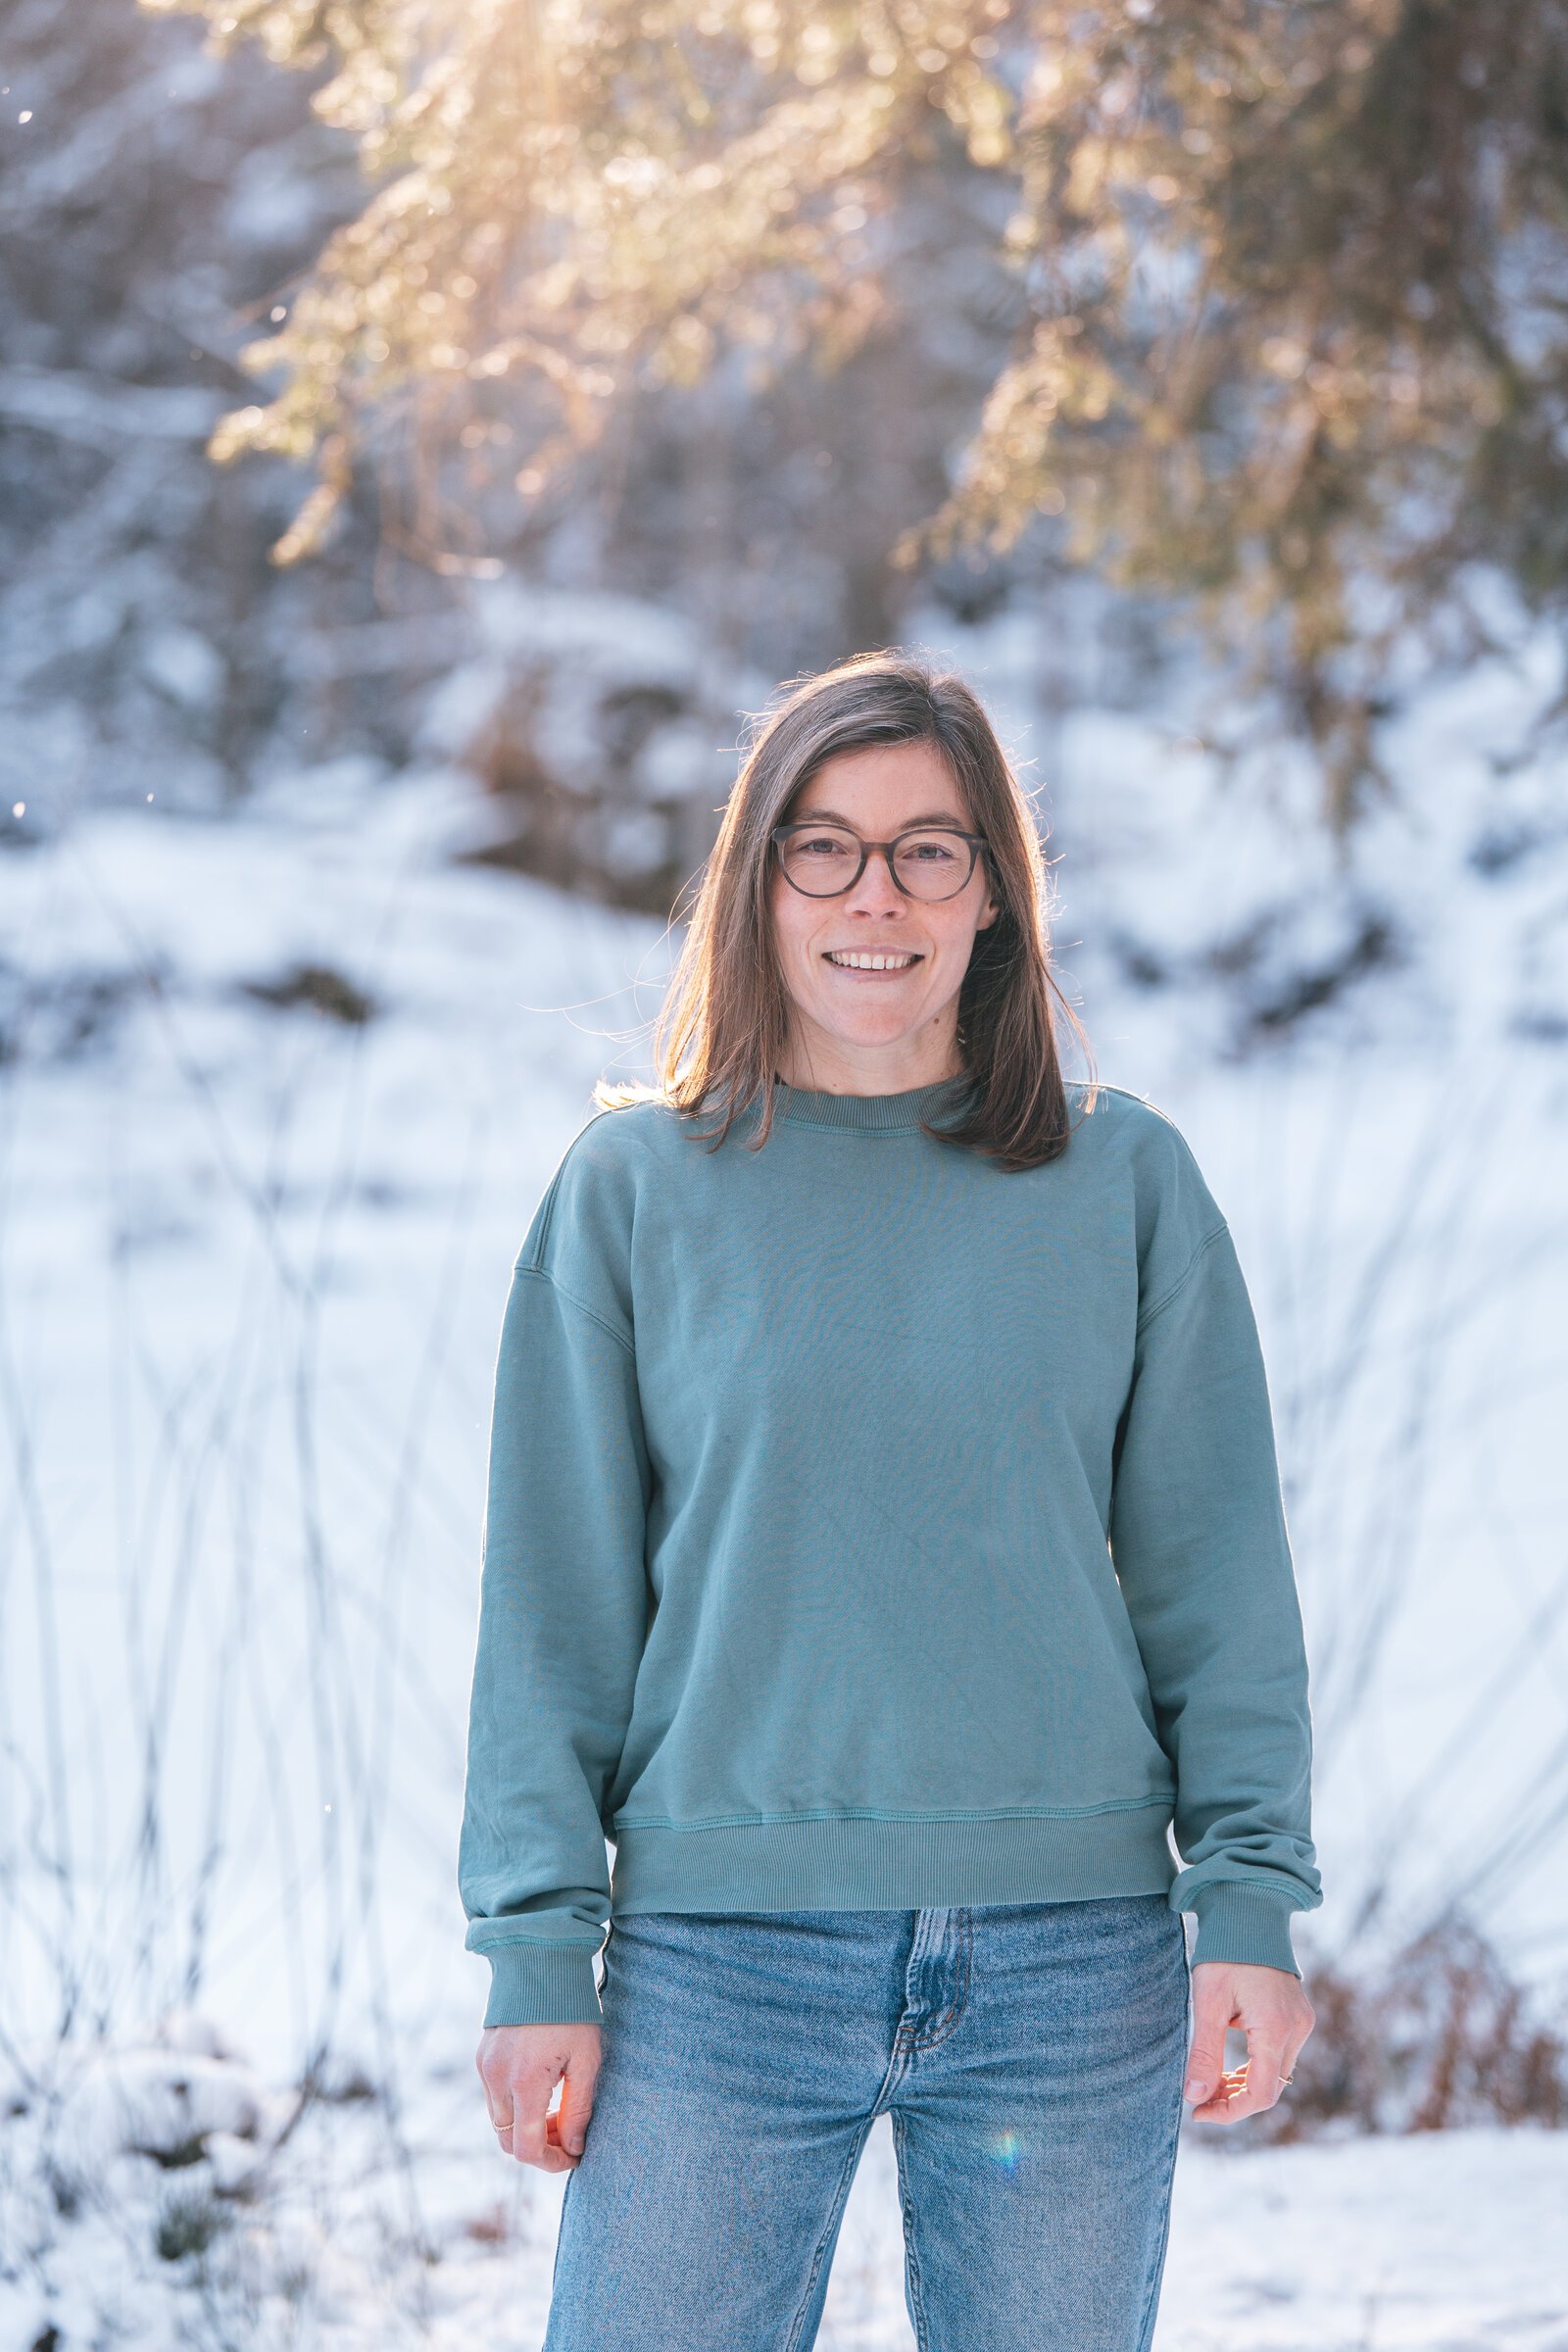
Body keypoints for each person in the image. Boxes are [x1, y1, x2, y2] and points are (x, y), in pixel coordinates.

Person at [459, 649, 1321, 2350]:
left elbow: (1218, 1583)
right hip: (720, 1964)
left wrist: (1250, 1898)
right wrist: (537, 1949)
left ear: (993, 888)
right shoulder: (634, 1191)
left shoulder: (1124, 1182)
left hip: (1073, 1966)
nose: (879, 896)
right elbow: (551, 1611)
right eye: (825, 848)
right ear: (759, 883)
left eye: (929, 848)